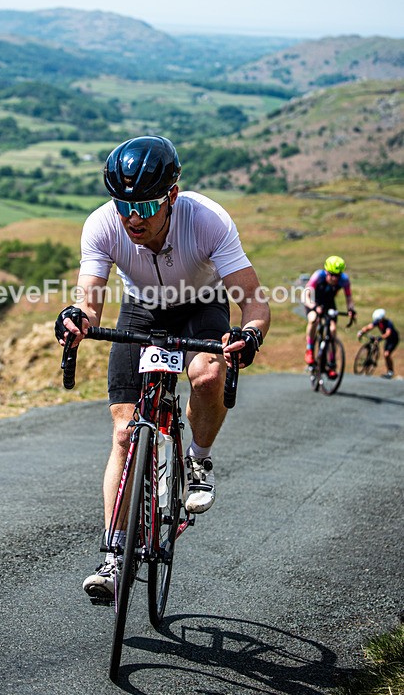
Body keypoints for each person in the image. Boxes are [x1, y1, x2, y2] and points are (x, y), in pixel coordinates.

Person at [54, 135, 270, 600]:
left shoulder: (207, 219)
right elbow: (89, 302)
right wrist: (77, 319)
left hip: (201, 305)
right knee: (123, 432)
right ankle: (114, 557)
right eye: (123, 205)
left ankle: (198, 458)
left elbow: (253, 300)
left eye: (146, 206)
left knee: (208, 375)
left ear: (172, 195)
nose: (133, 218)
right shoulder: (102, 225)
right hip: (143, 310)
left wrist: (250, 334)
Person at [303, 255, 356, 376]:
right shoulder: (318, 276)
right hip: (314, 302)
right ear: (326, 271)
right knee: (313, 319)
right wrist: (313, 306)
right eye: (332, 275)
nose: (334, 278)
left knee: (332, 330)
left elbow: (349, 298)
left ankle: (331, 362)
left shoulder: (344, 280)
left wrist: (351, 309)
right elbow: (306, 295)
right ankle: (309, 349)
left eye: (337, 275)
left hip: (329, 304)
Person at [357, 308, 399, 379]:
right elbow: (369, 327)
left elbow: (388, 333)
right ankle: (370, 358)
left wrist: (379, 338)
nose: (378, 321)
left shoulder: (388, 323)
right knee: (383, 353)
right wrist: (361, 332)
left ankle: (390, 372)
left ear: (382, 318)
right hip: (387, 340)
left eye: (379, 320)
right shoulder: (378, 322)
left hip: (393, 340)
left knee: (387, 354)